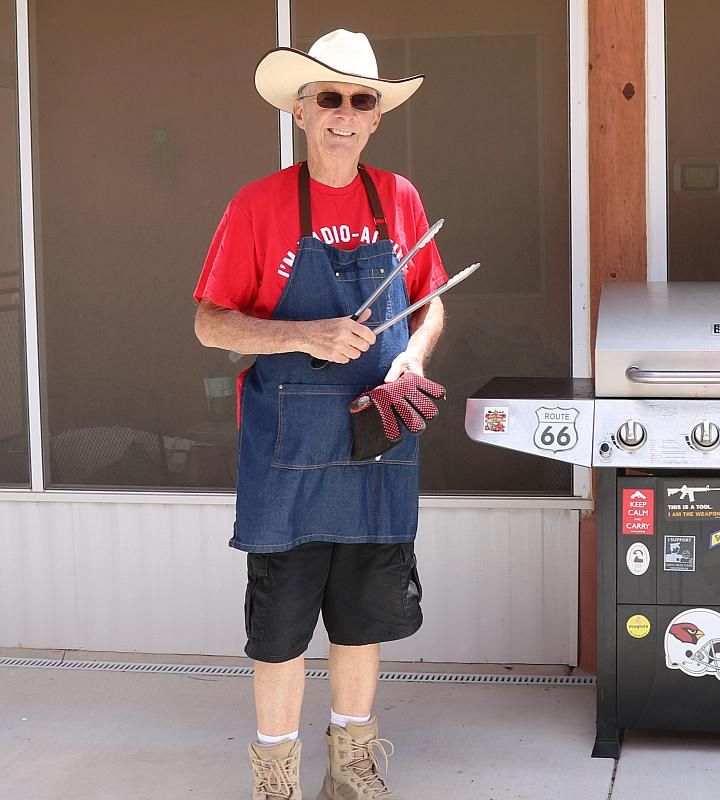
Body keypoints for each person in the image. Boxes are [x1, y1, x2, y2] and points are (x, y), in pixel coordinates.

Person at [193, 29, 448, 800]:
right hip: (288, 451)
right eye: (327, 97)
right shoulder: (257, 205)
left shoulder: (399, 198)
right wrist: (306, 334)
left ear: (375, 117)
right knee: (280, 629)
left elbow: (432, 303)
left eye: (359, 99)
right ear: (301, 112)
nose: (343, 112)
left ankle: (352, 767)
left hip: (378, 440)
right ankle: (277, 777)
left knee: (362, 619)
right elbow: (210, 322)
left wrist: (414, 358)